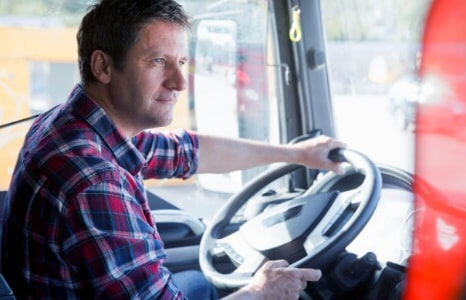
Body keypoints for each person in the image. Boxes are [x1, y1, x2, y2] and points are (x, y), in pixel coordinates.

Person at [0, 0, 346, 298]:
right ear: (103, 66)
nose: (180, 82)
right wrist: (261, 292)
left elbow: (187, 152)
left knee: (199, 282)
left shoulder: (74, 123)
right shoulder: (93, 181)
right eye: (157, 61)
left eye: (181, 62)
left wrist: (297, 154)